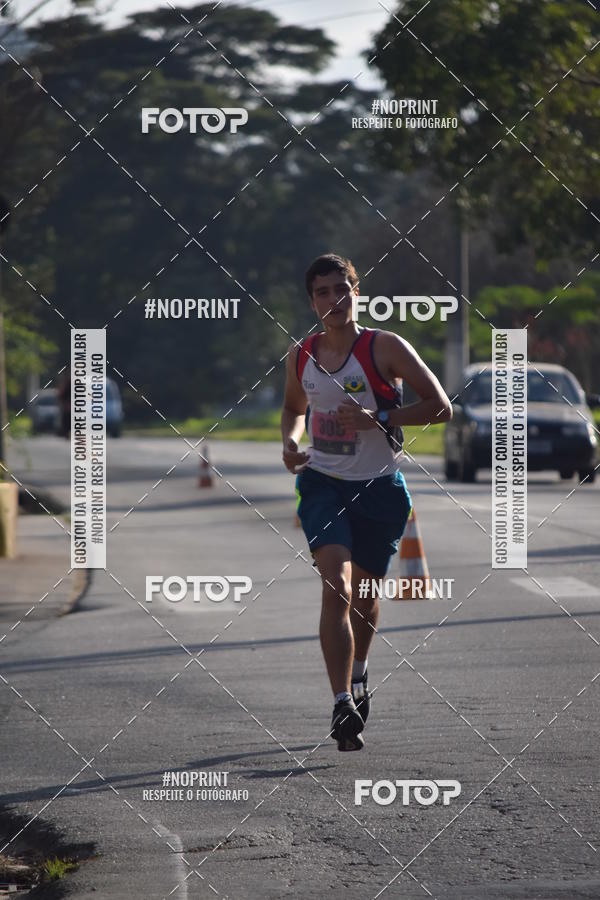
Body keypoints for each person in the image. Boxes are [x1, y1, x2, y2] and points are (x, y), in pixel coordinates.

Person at [280, 253, 452, 751]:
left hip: (379, 489)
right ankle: (340, 702)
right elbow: (294, 409)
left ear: (357, 292)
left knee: (366, 597)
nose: (334, 299)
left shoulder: (385, 347)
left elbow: (441, 407)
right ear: (311, 302)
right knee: (336, 585)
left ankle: (358, 674)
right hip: (322, 484)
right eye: (322, 292)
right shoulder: (302, 355)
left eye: (342, 289)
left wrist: (381, 418)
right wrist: (290, 444)